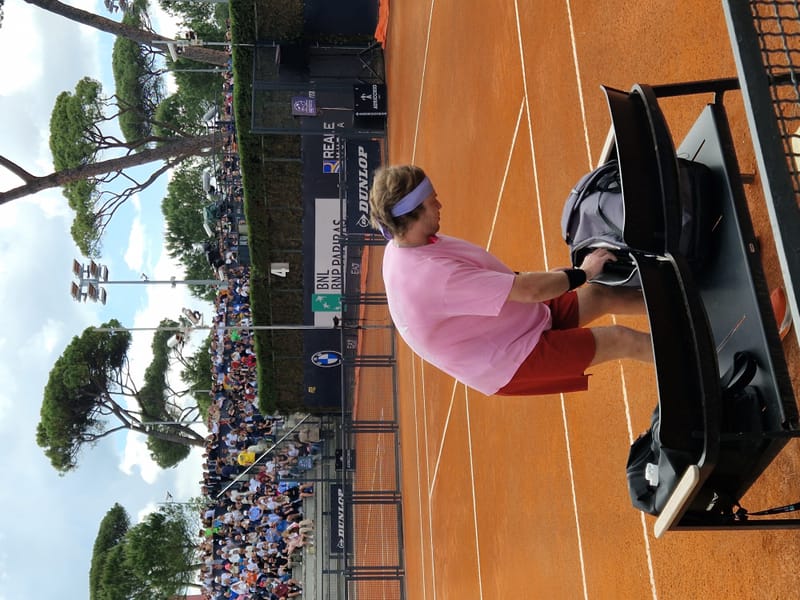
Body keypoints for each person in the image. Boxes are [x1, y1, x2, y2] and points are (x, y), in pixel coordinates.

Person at [369, 164, 653, 397]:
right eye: (433, 203)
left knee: (601, 295)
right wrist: (583, 273)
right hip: (507, 359)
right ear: (413, 214)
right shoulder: (432, 277)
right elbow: (527, 290)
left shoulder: (409, 241)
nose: (440, 205)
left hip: (512, 318)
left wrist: (557, 279)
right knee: (620, 339)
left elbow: (494, 282)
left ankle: (682, 308)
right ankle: (695, 362)